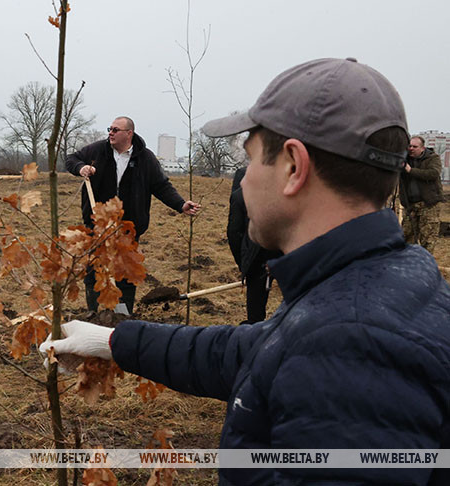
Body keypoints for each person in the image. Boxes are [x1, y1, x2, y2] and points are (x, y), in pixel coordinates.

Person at [41, 58, 450, 485]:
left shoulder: (351, 347)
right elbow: (248, 352)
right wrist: (112, 341)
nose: (243, 181)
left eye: (250, 159)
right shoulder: (379, 280)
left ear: (294, 167)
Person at [65, 116, 200, 313]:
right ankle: (94, 313)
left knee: (126, 273)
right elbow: (71, 159)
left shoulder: (145, 158)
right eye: (109, 128)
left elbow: (161, 186)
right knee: (94, 270)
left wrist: (180, 205)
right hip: (97, 224)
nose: (110, 132)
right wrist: (81, 168)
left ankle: (122, 315)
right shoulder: (96, 151)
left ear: (129, 134)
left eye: (115, 130)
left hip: (128, 227)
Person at [226, 166, 282, 323]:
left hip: (257, 260)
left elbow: (234, 233)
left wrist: (244, 263)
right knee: (295, 303)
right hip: (279, 255)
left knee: (255, 314)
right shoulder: (282, 188)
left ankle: (255, 334)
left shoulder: (238, 196)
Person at [400, 135, 444, 254]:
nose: (411, 149)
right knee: (406, 235)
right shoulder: (404, 160)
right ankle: (408, 264)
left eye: (415, 146)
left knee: (428, 238)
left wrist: (410, 171)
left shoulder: (432, 158)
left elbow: (433, 173)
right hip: (410, 205)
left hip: (429, 204)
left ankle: (425, 264)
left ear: (422, 148)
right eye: (409, 146)